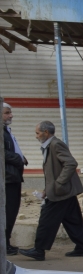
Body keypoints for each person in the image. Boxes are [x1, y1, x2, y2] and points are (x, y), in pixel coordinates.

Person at [19, 121, 83, 260]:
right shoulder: (48, 146)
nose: (36, 136)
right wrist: (47, 189)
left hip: (60, 192)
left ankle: (39, 250)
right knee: (73, 220)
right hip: (63, 192)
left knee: (46, 220)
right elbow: (53, 171)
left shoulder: (55, 144)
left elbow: (70, 163)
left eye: (37, 133)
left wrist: (58, 184)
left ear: (46, 132)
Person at [3, 103, 26, 254]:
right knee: (8, 211)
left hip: (13, 177)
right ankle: (4, 244)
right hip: (8, 178)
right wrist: (18, 158)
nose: (11, 115)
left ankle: (6, 242)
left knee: (12, 211)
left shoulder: (6, 130)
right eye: (7, 113)